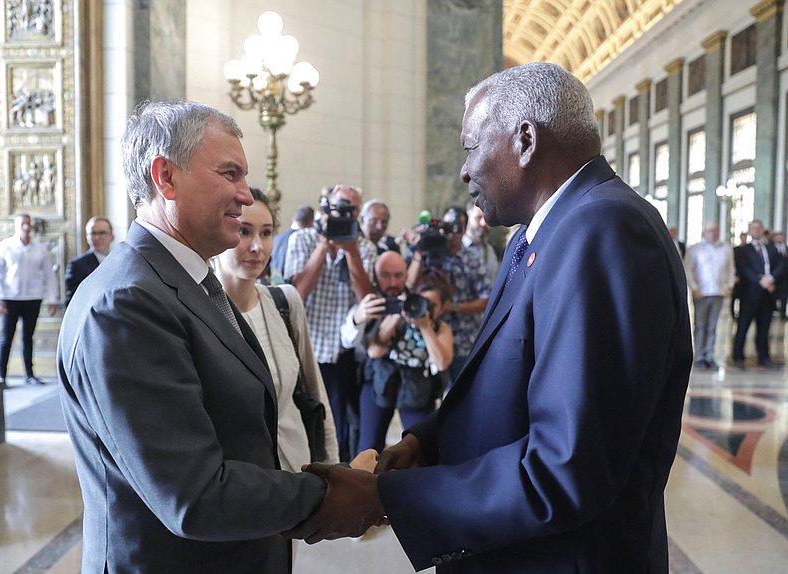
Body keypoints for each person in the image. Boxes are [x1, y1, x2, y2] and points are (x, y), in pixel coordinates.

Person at [285, 62, 693, 573]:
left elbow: (567, 466)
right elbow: (507, 383)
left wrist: (384, 498)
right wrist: (425, 442)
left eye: (471, 147)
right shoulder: (537, 234)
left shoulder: (603, 229)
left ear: (525, 141)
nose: (463, 170)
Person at [57, 101, 326, 573]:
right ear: (166, 176)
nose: (246, 195)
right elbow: (194, 494)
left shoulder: (185, 280)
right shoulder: (128, 302)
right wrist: (337, 494)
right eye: (230, 174)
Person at [213, 186, 338, 472]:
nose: (257, 247)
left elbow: (318, 398)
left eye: (266, 233)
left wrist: (333, 472)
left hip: (299, 470)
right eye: (244, 231)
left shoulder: (285, 301)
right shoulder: (199, 312)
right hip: (242, 482)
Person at [284, 184, 377, 461]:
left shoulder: (365, 247)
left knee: (337, 425)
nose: (346, 213)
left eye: (352, 208)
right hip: (304, 348)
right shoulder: (303, 239)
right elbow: (297, 293)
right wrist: (324, 244)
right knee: (302, 421)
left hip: (341, 352)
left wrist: (351, 252)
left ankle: (337, 475)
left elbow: (366, 300)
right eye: (341, 206)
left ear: (358, 212)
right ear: (327, 209)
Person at [341, 251, 453, 454]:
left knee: (421, 447)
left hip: (417, 388)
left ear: (443, 307)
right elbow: (374, 351)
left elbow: (443, 362)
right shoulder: (395, 304)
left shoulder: (440, 328)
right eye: (422, 303)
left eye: (432, 305)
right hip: (381, 381)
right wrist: (399, 315)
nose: (425, 309)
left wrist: (425, 327)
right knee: (368, 446)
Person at [406, 205, 490, 384]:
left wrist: (453, 307)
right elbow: (409, 285)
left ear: (464, 229)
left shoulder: (472, 259)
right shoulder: (427, 252)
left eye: (456, 228)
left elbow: (486, 300)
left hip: (463, 339)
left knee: (460, 393)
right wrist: (419, 248)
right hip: (427, 338)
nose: (450, 233)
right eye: (446, 226)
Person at [0, 213, 59, 385]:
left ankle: (29, 374)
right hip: (9, 298)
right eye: (23, 224)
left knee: (28, 337)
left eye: (28, 224)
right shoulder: (4, 246)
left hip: (32, 298)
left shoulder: (39, 248)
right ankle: (2, 376)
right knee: (6, 338)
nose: (26, 227)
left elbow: (49, 275)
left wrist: (52, 298)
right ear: (16, 225)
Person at [732, 219, 785, 369]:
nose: (756, 231)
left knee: (764, 327)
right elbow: (743, 269)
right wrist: (760, 281)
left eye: (758, 228)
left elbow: (781, 265)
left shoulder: (771, 248)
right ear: (749, 231)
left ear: (762, 230)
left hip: (768, 295)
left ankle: (764, 357)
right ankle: (738, 356)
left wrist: (771, 279)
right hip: (750, 294)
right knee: (743, 325)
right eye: (753, 228)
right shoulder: (743, 250)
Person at [684, 221, 735, 370]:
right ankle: (699, 356)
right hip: (701, 292)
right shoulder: (695, 249)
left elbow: (731, 269)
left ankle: (709, 356)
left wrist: (729, 286)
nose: (713, 233)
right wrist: (694, 288)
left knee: (713, 326)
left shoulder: (725, 249)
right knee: (700, 325)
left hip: (718, 292)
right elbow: (688, 269)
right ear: (704, 232)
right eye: (709, 230)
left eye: (715, 230)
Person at [64, 216, 114, 305]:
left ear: (112, 236)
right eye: (93, 234)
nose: (97, 237)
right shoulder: (77, 265)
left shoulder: (118, 260)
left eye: (102, 233)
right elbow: (73, 300)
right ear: (87, 237)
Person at [271, 204, 314, 279]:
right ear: (312, 222)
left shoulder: (276, 238)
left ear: (293, 219)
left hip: (273, 284)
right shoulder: (307, 241)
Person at [463, 203, 501, 283]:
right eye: (478, 218)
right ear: (468, 218)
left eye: (486, 219)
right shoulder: (457, 247)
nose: (483, 223)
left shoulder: (490, 250)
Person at [772, 231, 788, 320]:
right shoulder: (771, 249)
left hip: (785, 278)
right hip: (774, 277)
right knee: (773, 295)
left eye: (781, 237)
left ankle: (782, 313)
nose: (779, 239)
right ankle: (772, 311)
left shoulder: (786, 248)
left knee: (784, 296)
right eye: (778, 237)